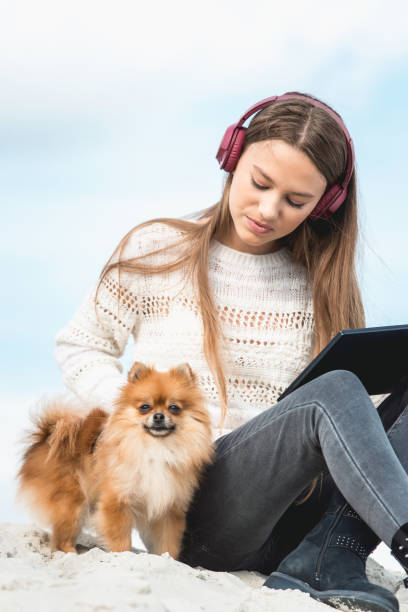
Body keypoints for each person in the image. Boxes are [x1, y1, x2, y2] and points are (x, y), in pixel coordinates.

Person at [55, 92, 408, 612]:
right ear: (232, 158)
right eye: (260, 183)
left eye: (295, 201)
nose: (268, 210)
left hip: (290, 516)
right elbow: (80, 345)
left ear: (325, 205)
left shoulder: (320, 286)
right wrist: (139, 416)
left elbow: (357, 423)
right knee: (329, 393)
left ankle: (329, 555)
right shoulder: (156, 249)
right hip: (189, 503)